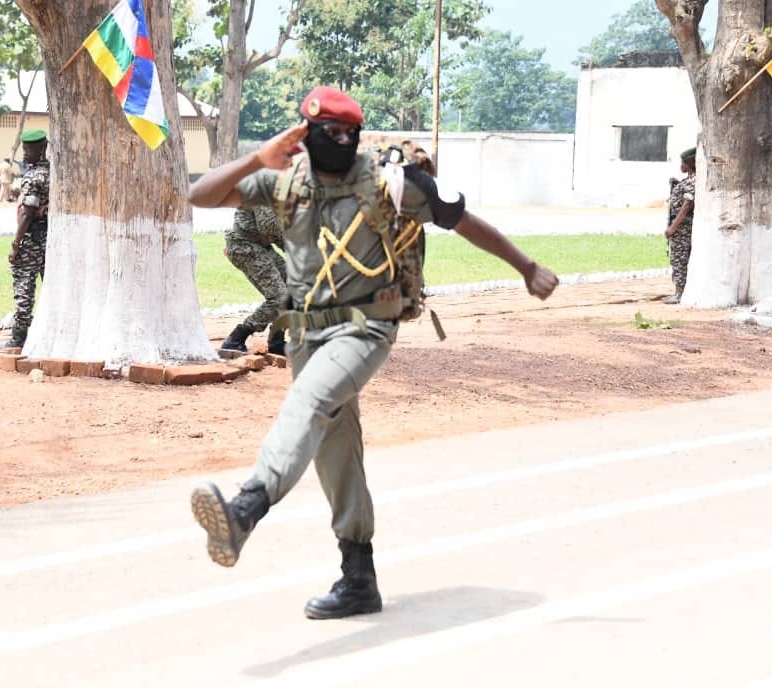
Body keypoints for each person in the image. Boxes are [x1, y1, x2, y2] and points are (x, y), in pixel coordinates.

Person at [186, 86, 559, 620]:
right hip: (303, 335)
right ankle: (358, 576)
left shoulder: (392, 184)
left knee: (308, 405)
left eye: (348, 133)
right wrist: (257, 157)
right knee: (334, 449)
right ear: (305, 135)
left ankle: (246, 509)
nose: (339, 141)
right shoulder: (284, 181)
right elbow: (201, 195)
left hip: (365, 329)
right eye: (328, 133)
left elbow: (462, 219)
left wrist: (525, 268)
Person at [0, 130, 50, 350]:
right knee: (49, 286)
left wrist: (15, 244)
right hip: (50, 239)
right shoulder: (53, 172)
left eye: (30, 149)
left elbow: (28, 212)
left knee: (23, 289)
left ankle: (19, 337)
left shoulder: (33, 177)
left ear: (42, 149)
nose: (26, 153)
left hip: (31, 240)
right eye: (24, 148)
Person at [219, 206, 288, 356]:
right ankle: (236, 338)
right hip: (243, 245)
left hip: (260, 245)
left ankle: (276, 340)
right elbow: (268, 226)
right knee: (279, 297)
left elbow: (277, 235)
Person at [664, 147, 696, 304]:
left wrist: (673, 227)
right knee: (677, 258)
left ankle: (680, 293)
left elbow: (688, 204)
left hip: (683, 229)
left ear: (690, 163)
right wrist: (677, 184)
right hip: (680, 228)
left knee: (680, 260)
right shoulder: (688, 179)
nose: (681, 165)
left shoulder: (693, 180)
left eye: (683, 162)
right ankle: (678, 291)